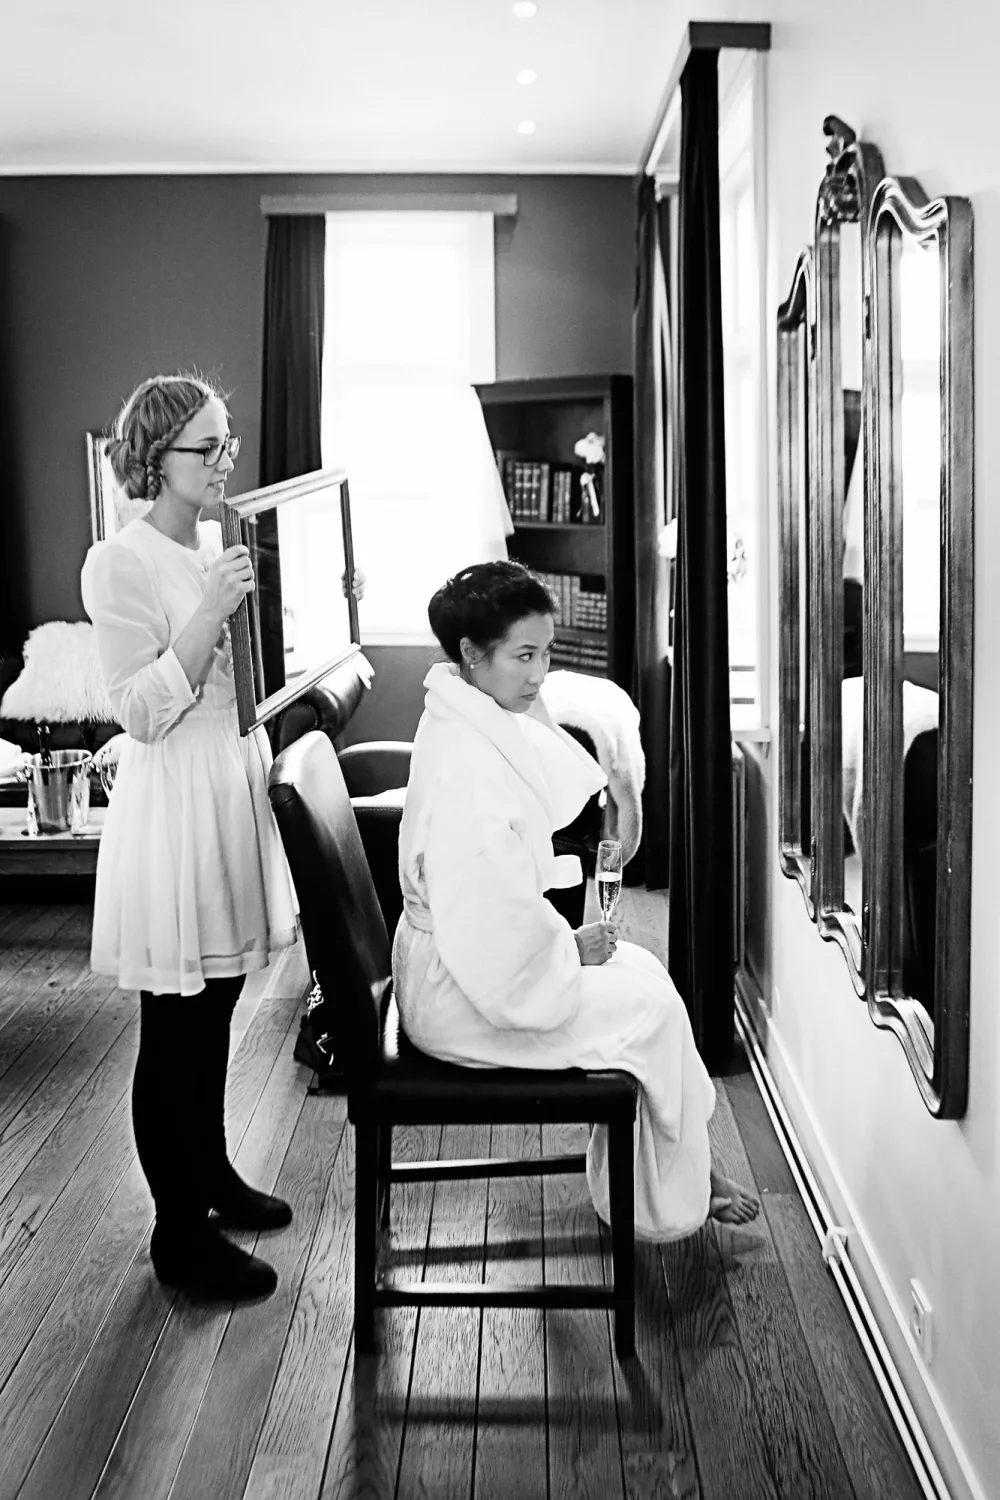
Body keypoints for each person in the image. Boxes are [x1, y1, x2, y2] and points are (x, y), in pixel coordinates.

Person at [393, 560, 759, 1241]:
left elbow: (497, 900)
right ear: (472, 655)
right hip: (460, 998)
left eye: (547, 652)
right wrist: (564, 949)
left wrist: (565, 948)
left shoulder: (459, 711)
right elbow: (490, 920)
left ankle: (682, 1172)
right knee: (648, 1010)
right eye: (523, 655)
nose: (539, 675)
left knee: (646, 974)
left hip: (458, 964)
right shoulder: (466, 768)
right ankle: (674, 1194)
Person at [81, 373, 299, 1300]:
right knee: (171, 1027)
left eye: (228, 442)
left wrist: (323, 603)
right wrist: (211, 608)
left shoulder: (219, 545)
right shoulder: (119, 562)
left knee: (214, 1009)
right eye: (205, 448)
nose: (224, 461)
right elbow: (136, 712)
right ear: (154, 458)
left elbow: (249, 676)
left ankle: (208, 1173)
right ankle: (177, 1231)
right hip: (172, 806)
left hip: (227, 789)